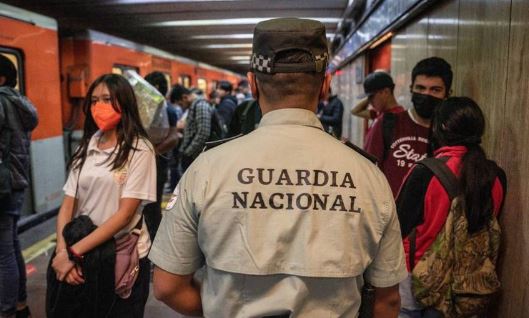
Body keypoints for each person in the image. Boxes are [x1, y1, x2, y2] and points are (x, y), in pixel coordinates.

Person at [149, 18, 407, 317]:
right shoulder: (368, 176)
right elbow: (387, 300)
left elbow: (167, 286)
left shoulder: (207, 168)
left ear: (253, 83)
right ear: (325, 86)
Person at [51, 74, 156, 317]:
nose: (100, 106)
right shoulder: (88, 145)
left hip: (122, 254)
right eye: (95, 100)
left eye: (107, 99)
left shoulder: (139, 149)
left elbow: (124, 215)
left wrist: (72, 253)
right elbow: (68, 205)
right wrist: (61, 252)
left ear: (124, 102)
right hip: (84, 252)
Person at [396, 97, 506, 317]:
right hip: (469, 285)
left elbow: (397, 228)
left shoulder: (425, 172)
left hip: (420, 283)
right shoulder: (496, 176)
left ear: (441, 128)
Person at [364, 57, 453, 197]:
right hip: (388, 215)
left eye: (435, 90)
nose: (426, 95)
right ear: (411, 88)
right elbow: (366, 171)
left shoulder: (450, 134)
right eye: (420, 88)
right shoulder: (387, 123)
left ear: (447, 94)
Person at [0, 55, 38, 318]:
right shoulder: (18, 103)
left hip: (2, 185)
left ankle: (6, 310)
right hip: (13, 183)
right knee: (11, 245)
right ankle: (21, 304)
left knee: (3, 252)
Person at [143, 71, 179, 239]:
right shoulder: (145, 107)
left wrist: (152, 152)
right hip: (150, 163)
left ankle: (156, 244)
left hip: (157, 163)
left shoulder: (167, 110)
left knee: (152, 206)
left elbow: (174, 138)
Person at [171, 84, 211, 172]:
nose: (181, 107)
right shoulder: (194, 106)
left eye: (181, 104)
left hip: (197, 156)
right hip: (195, 156)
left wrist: (187, 153)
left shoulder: (201, 106)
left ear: (185, 97)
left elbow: (203, 133)